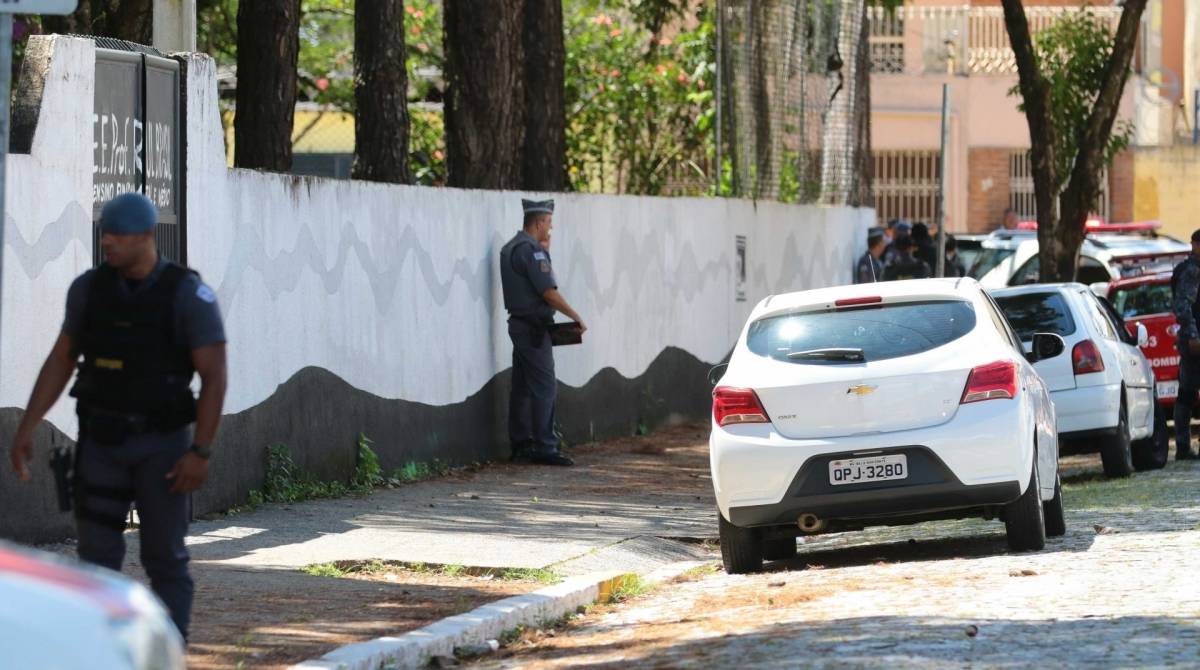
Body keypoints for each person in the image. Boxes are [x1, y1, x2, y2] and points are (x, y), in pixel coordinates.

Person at [7, 192, 228, 639]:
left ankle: (167, 652)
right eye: (104, 232)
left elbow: (215, 376)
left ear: (146, 236)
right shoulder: (89, 290)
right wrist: (28, 425)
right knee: (95, 560)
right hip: (101, 444)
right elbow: (61, 360)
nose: (106, 241)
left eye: (117, 234)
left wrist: (200, 451)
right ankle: (101, 652)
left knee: (164, 558)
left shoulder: (187, 294)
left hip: (163, 447)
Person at [500, 199, 587, 467]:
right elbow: (548, 292)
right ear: (539, 222)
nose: (551, 228)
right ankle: (545, 447)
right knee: (544, 387)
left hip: (519, 325)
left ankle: (522, 444)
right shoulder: (531, 251)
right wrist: (575, 316)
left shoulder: (509, 248)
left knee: (523, 388)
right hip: (534, 330)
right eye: (549, 223)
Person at [1170, 229, 1200, 460]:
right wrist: (1192, 335)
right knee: (1187, 393)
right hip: (1195, 341)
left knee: (1187, 392)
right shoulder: (1191, 271)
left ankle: (1184, 446)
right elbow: (1183, 306)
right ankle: (1182, 446)